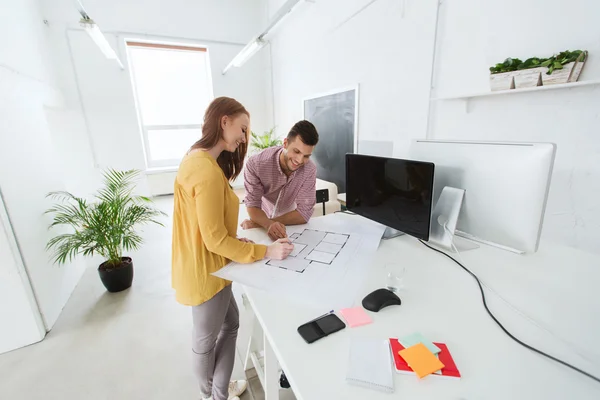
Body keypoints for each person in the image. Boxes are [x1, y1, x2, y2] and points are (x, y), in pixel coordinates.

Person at [171, 97, 294, 400]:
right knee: (204, 342)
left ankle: (219, 389)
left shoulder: (198, 158)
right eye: (242, 128)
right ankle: (214, 396)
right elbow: (214, 240)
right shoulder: (206, 171)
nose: (243, 137)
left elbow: (207, 228)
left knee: (232, 323)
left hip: (208, 264)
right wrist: (266, 251)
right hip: (207, 273)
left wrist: (234, 240)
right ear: (223, 121)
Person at [241, 120, 319, 240]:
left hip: (292, 223)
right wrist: (267, 224)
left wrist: (267, 224)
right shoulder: (256, 164)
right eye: (296, 151)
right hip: (262, 217)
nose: (299, 160)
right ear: (285, 143)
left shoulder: (309, 169)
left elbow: (304, 213)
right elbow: (253, 205)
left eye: (306, 156)